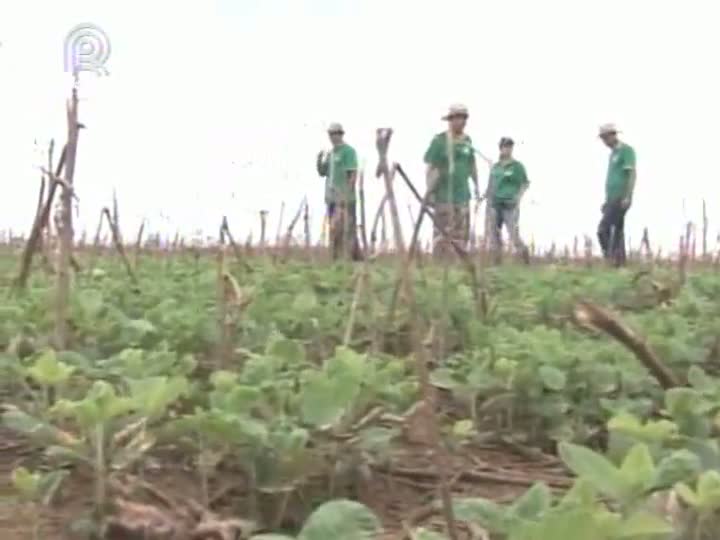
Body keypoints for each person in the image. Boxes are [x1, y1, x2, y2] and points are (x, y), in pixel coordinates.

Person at [423, 104, 480, 258]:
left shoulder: (467, 141)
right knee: (442, 233)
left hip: (463, 195)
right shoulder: (439, 140)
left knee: (461, 234)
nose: (462, 122)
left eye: (464, 118)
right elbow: (430, 167)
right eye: (458, 118)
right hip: (443, 195)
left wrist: (476, 186)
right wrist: (430, 191)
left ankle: (459, 266)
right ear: (451, 120)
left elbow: (472, 165)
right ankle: (439, 265)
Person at [315, 122, 361, 260]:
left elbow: (352, 174)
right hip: (331, 198)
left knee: (348, 228)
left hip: (346, 198)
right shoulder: (331, 153)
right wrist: (319, 160)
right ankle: (335, 257)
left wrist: (346, 195)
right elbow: (323, 172)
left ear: (341, 134)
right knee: (334, 229)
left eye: (335, 133)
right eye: (331, 134)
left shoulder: (348, 152)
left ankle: (354, 258)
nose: (333, 137)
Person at [597, 123, 636, 266]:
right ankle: (620, 263)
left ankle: (611, 258)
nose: (604, 142)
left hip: (621, 197)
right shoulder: (613, 154)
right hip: (611, 198)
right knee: (618, 231)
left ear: (613, 135)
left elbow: (631, 174)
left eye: (605, 138)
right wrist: (606, 200)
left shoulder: (626, 151)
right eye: (602, 139)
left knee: (603, 229)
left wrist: (628, 196)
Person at [487, 137, 530, 264]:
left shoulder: (517, 166)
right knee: (494, 235)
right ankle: (497, 262)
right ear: (500, 149)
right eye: (505, 146)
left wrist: (518, 197)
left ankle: (524, 257)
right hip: (495, 204)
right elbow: (491, 184)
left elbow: (525, 183)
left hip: (510, 205)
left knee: (513, 233)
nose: (508, 149)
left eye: (510, 147)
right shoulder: (495, 167)